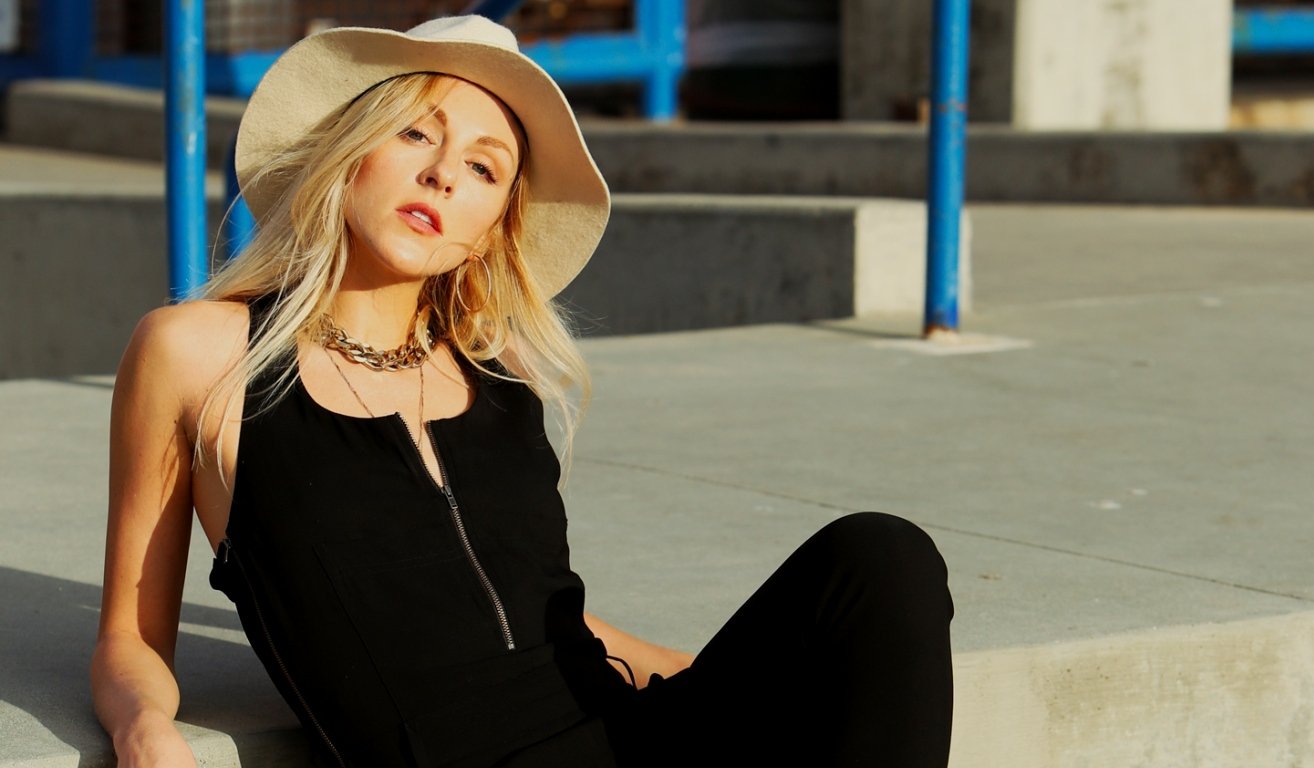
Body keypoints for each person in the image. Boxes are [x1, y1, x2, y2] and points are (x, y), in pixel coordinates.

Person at [91, 15, 954, 768]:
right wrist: (146, 732)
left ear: (489, 230)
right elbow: (129, 637)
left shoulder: (498, 381)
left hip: (629, 737)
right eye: (415, 135)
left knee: (883, 555)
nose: (442, 176)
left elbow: (541, 620)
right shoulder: (203, 355)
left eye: (482, 167)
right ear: (349, 155)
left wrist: (722, 675)